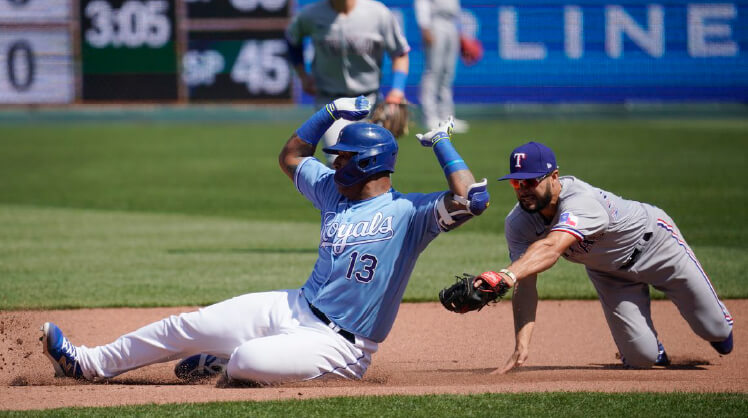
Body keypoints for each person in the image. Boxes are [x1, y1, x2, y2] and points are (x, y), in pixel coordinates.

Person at [40, 96, 490, 386]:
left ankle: (221, 360)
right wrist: (330, 112)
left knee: (245, 363)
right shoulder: (333, 190)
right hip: (293, 305)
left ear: (368, 164)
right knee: (185, 326)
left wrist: (441, 145)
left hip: (342, 346)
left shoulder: (411, 214)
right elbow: (292, 155)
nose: (333, 166)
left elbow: (473, 199)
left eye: (343, 159)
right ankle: (84, 362)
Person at [475, 141, 734, 371]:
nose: (523, 189)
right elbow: (526, 281)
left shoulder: (580, 201)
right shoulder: (518, 223)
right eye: (516, 183)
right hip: (609, 274)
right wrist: (521, 345)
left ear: (554, 177)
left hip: (658, 247)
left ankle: (717, 329)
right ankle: (650, 348)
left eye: (530, 181)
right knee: (642, 359)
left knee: (717, 331)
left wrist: (506, 274)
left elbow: (552, 247)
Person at [285, 0, 410, 164]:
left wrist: (397, 91)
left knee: (377, 164)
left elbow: (400, 53)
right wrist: (302, 76)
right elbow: (292, 39)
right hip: (331, 102)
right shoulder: (311, 15)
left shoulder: (378, 13)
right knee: (340, 162)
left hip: (370, 101)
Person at [414, 0, 468, 133]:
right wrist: (425, 26)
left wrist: (460, 31)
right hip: (435, 22)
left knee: (447, 73)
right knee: (433, 71)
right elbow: (422, 3)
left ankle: (447, 117)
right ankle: (429, 116)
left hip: (451, 23)